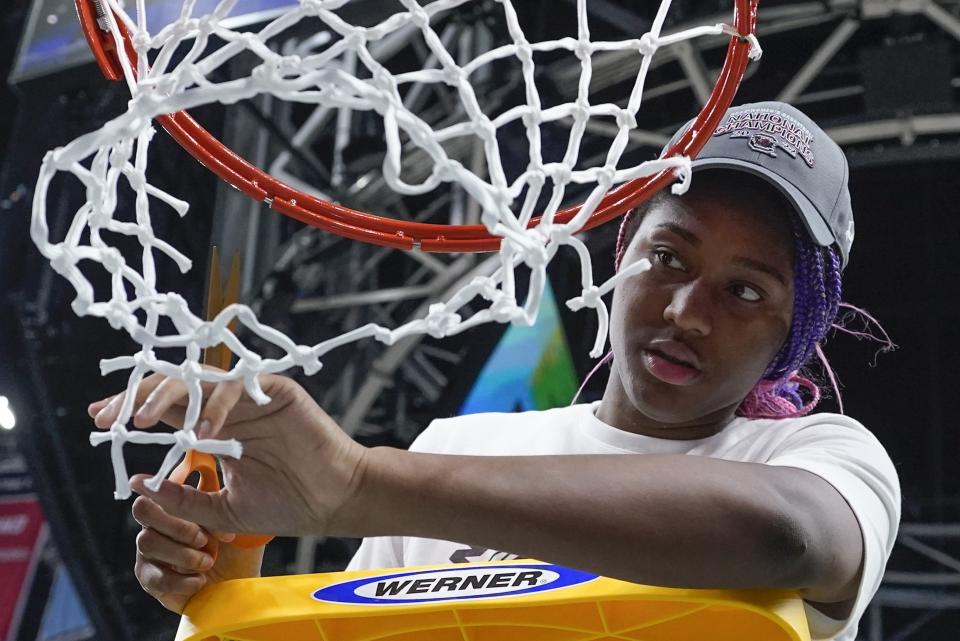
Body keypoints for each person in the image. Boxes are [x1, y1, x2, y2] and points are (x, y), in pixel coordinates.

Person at [88, 101, 900, 641]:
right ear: (621, 259)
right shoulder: (457, 443)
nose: (688, 309)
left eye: (744, 289)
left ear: (793, 335)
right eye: (666, 255)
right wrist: (227, 595)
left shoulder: (819, 458)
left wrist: (354, 482)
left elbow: (785, 537)